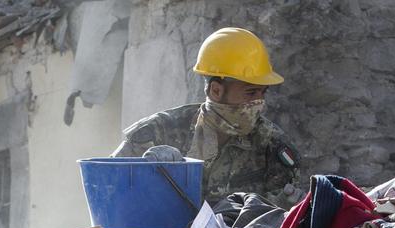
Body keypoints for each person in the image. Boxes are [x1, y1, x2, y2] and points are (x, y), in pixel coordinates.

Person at [112, 27, 304, 207]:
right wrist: (143, 172)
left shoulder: (271, 145)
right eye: (251, 93)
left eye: (263, 93)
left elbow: (278, 225)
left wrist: (283, 209)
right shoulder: (160, 132)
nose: (259, 103)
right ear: (216, 90)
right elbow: (107, 189)